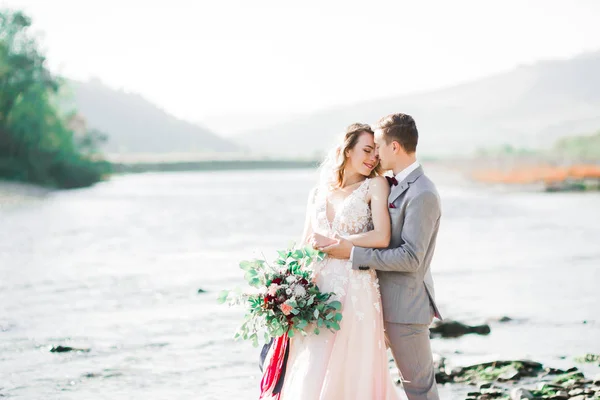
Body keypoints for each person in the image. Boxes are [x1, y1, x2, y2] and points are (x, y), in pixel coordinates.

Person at [265, 122, 401, 399]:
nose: (372, 158)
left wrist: (344, 245)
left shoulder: (374, 185)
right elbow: (304, 243)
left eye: (376, 152)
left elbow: (382, 236)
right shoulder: (317, 193)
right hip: (316, 290)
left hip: (356, 284)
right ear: (346, 150)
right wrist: (283, 289)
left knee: (351, 363)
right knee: (313, 360)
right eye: (366, 150)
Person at [322, 113, 442, 400]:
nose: (375, 153)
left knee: (419, 389)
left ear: (395, 147)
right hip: (372, 303)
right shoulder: (389, 183)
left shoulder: (423, 193)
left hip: (405, 309)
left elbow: (411, 258)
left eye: (378, 146)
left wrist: (353, 252)